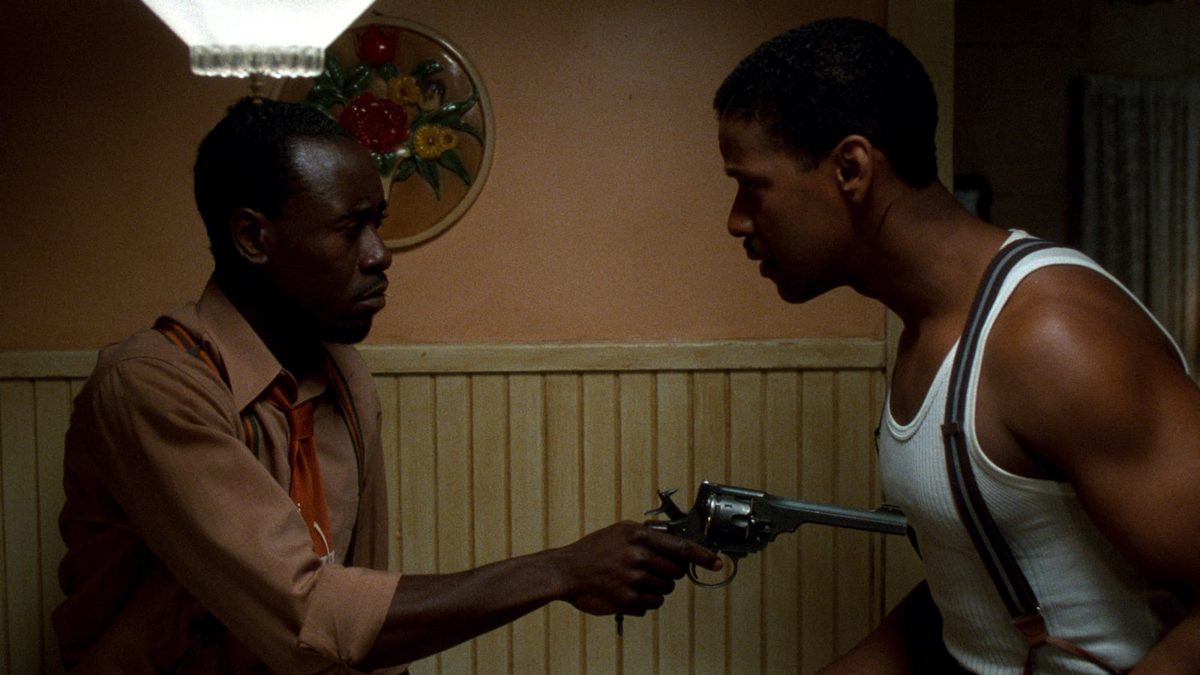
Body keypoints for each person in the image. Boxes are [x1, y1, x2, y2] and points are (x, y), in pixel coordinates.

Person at [53, 97, 720, 673]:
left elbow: (361, 604)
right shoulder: (154, 384)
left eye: (378, 222)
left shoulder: (344, 374)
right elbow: (307, 616)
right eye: (351, 229)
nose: (380, 254)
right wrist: (559, 571)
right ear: (254, 237)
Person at [713, 17, 1200, 674]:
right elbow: (974, 595)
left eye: (752, 184)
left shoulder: (1050, 336)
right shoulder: (930, 330)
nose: (737, 220)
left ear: (851, 168)